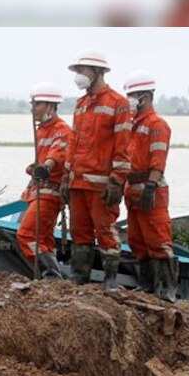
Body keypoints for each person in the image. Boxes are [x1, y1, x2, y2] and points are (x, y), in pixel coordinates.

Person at [60, 49, 131, 291]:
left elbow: (123, 145)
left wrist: (116, 181)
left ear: (98, 72)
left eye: (82, 71)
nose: (78, 76)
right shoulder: (81, 105)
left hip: (101, 184)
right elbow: (73, 142)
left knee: (105, 231)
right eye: (77, 71)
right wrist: (65, 177)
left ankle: (110, 281)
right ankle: (79, 279)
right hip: (78, 182)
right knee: (80, 232)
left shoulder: (118, 103)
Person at [122, 70, 177, 301]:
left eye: (133, 96)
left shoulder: (157, 125)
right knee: (137, 239)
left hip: (149, 187)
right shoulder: (132, 125)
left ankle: (166, 290)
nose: (130, 101)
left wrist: (151, 187)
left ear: (145, 96)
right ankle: (146, 286)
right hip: (132, 188)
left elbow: (158, 159)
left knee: (157, 239)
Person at [18, 81, 70, 279]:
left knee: (27, 234)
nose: (33, 109)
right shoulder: (41, 130)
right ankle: (50, 277)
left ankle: (51, 275)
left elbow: (56, 154)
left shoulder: (61, 130)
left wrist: (45, 167)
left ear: (50, 105)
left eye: (37, 105)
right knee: (44, 239)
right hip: (38, 191)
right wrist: (34, 167)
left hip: (49, 192)